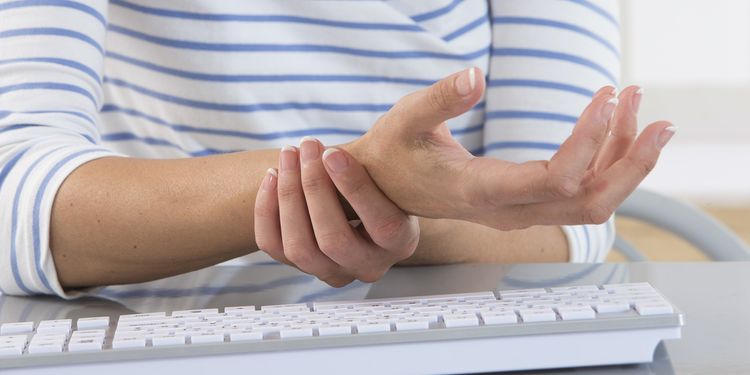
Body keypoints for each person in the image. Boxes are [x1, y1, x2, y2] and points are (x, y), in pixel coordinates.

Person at [0, 0, 673, 298]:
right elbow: (17, 201)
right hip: (152, 333)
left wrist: (399, 203)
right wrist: (363, 184)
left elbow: (559, 215)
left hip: (448, 346)